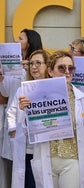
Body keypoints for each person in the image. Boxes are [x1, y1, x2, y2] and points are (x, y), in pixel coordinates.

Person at [18, 50, 84, 188]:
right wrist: (25, 112)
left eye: (71, 68)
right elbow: (28, 132)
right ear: (50, 71)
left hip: (72, 160)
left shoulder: (82, 99)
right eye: (61, 67)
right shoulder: (36, 96)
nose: (67, 71)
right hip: (47, 159)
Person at [0, 28, 43, 187]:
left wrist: (28, 71)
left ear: (29, 42)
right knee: (18, 172)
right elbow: (6, 92)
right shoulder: (11, 64)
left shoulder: (37, 66)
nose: (17, 41)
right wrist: (1, 76)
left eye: (20, 38)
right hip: (15, 120)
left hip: (32, 127)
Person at [7, 49, 50, 188]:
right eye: (31, 63)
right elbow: (11, 112)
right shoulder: (22, 90)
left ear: (48, 66)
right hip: (25, 150)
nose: (34, 67)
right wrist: (13, 131)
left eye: (38, 63)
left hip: (45, 150)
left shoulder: (54, 90)